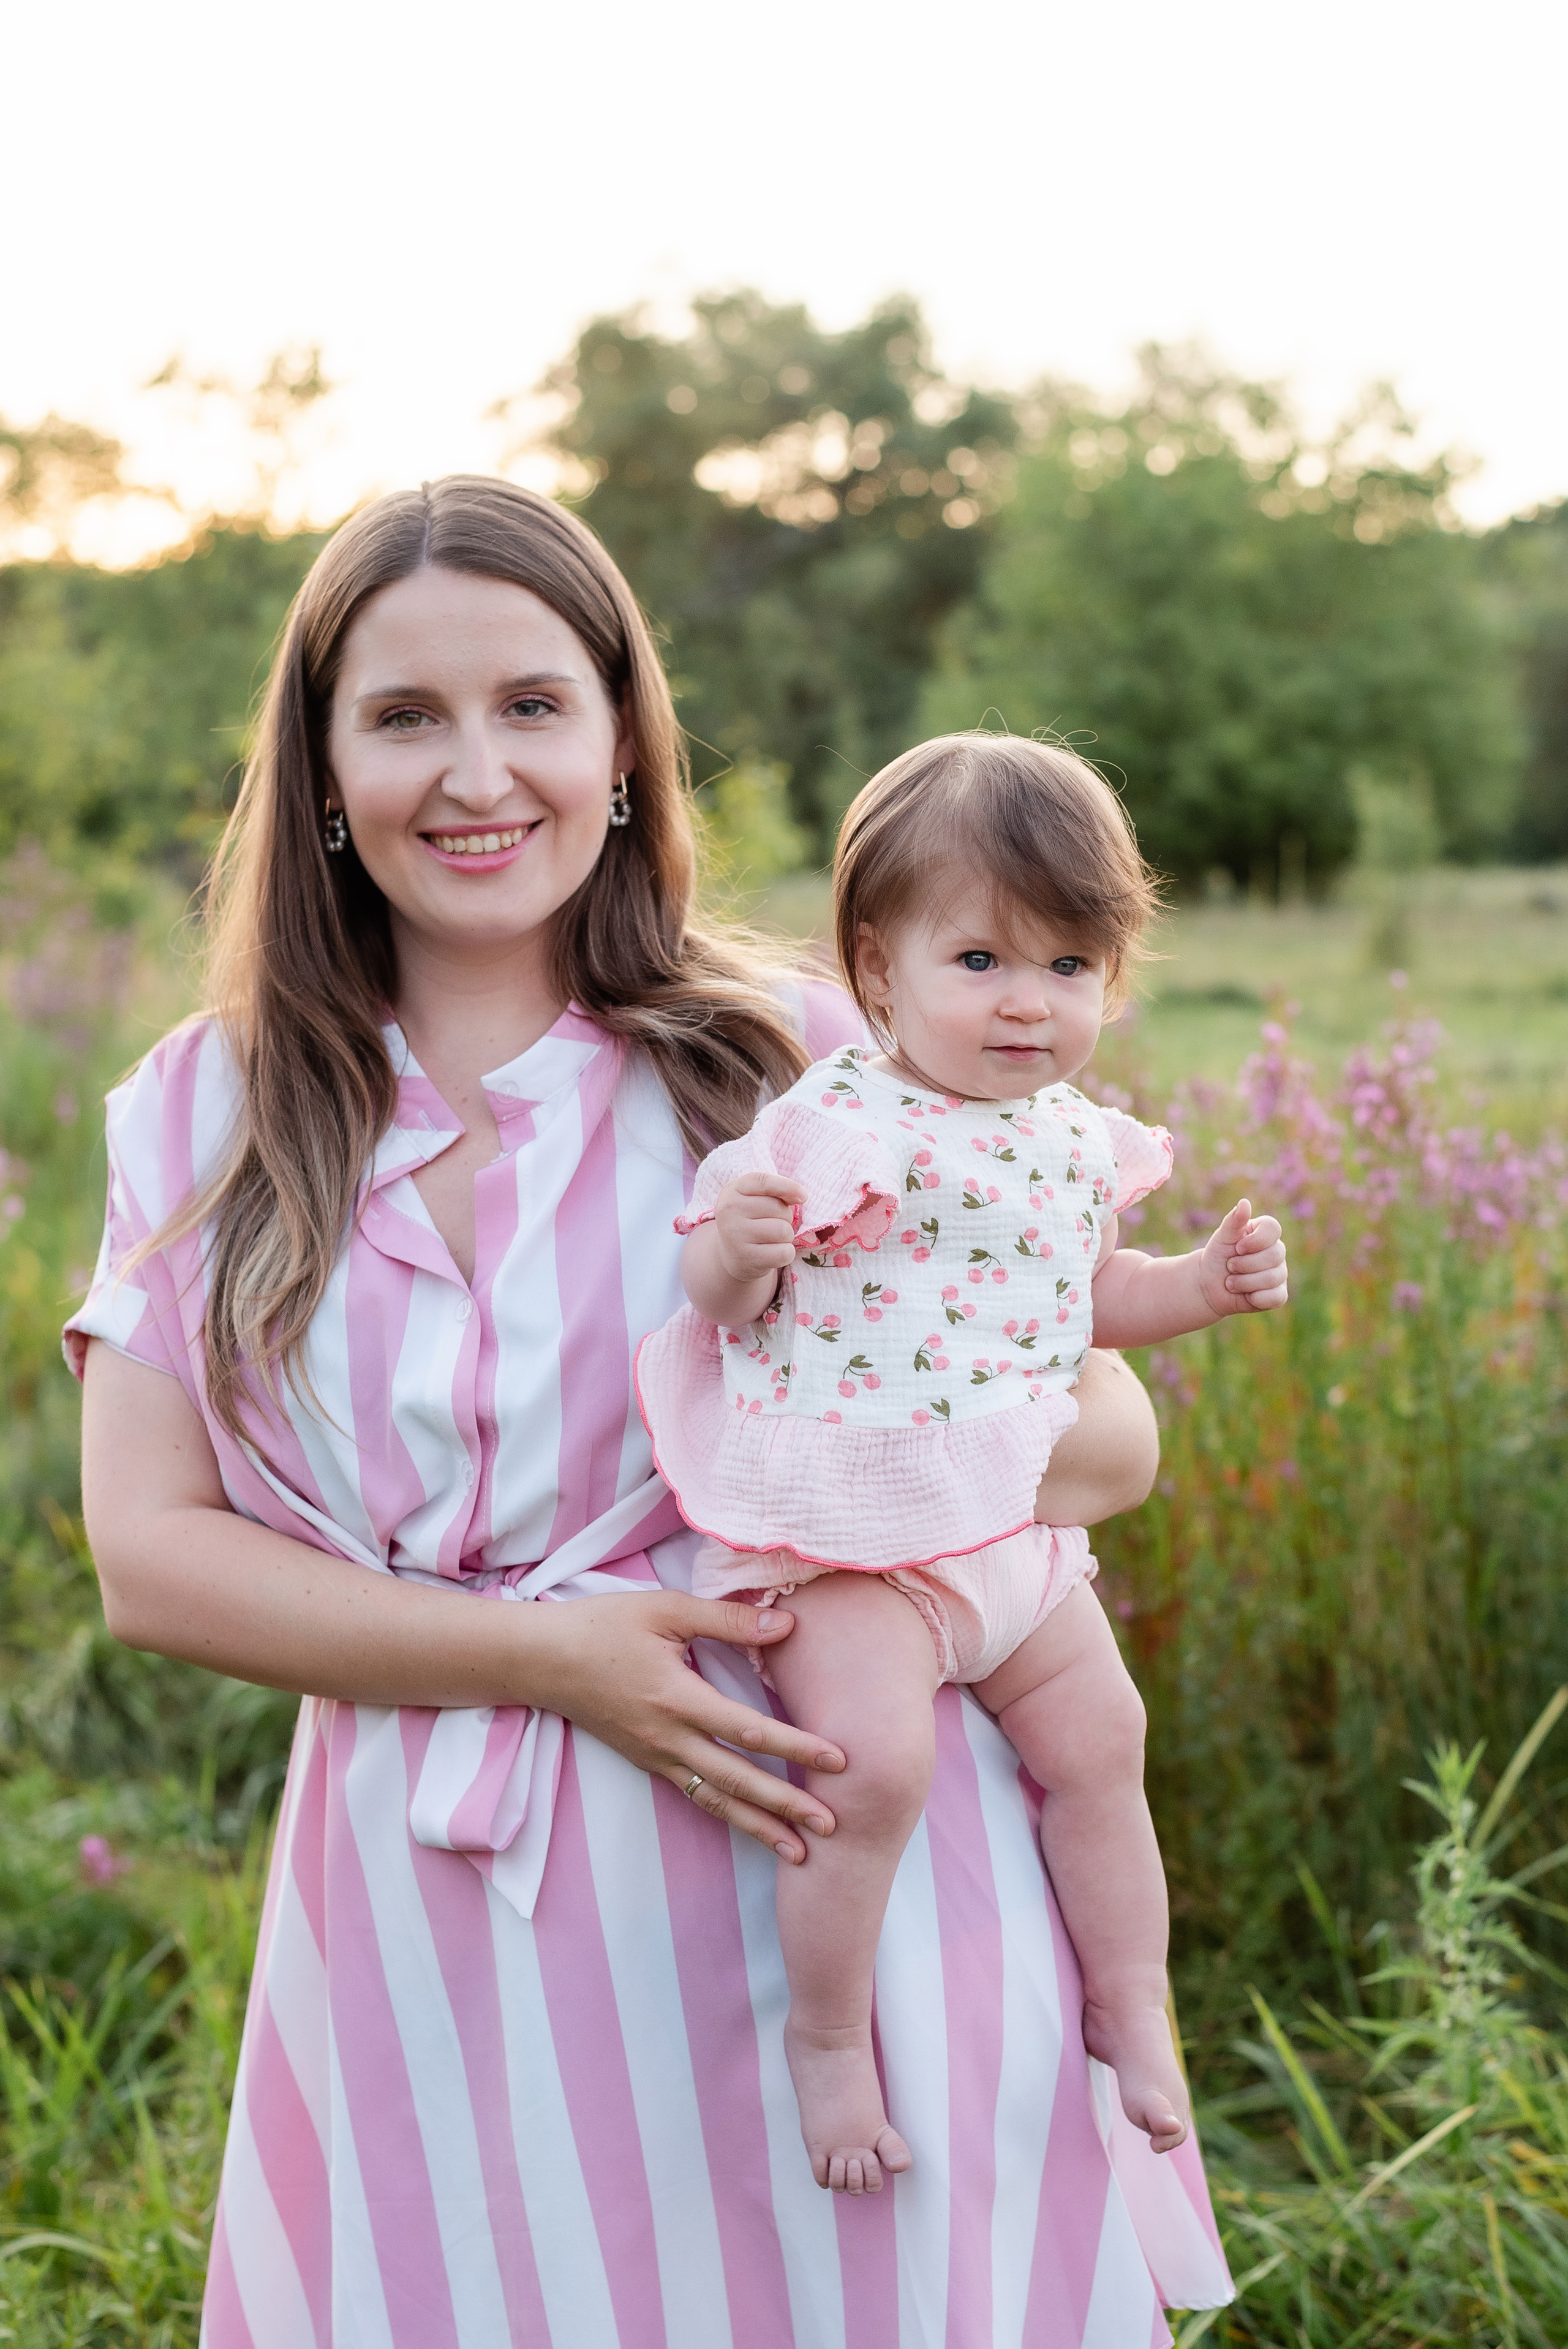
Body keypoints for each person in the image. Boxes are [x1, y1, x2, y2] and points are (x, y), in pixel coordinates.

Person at [69, 477, 1234, 2345]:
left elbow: (1108, 1437)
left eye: (534, 705)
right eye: (404, 715)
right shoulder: (199, 1115)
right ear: (318, 772)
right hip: (434, 1927)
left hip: (830, 1871)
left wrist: (837, 1473)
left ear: (621, 746)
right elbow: (149, 1559)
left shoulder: (791, 1058)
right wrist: (552, 1659)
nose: (476, 773)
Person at [639, 737, 1288, 2193]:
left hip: (1009, 1534)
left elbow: (1080, 1300)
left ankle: (1130, 1996)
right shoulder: (842, 1119)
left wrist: (1197, 1282)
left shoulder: (1067, 1141)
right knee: (871, 1768)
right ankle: (826, 2037)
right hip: (855, 1538)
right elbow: (725, 1298)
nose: (1025, 1002)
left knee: (1101, 1741)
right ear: (877, 968)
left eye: (1068, 965)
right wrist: (733, 1257)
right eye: (980, 956)